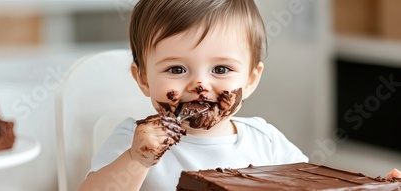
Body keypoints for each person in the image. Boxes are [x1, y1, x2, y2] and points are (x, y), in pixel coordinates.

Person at [79, 1, 400, 190]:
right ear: (144, 79)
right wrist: (136, 161)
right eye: (176, 70)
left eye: (220, 70)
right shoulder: (134, 142)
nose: (200, 85)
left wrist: (374, 187)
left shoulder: (267, 142)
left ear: (250, 78)